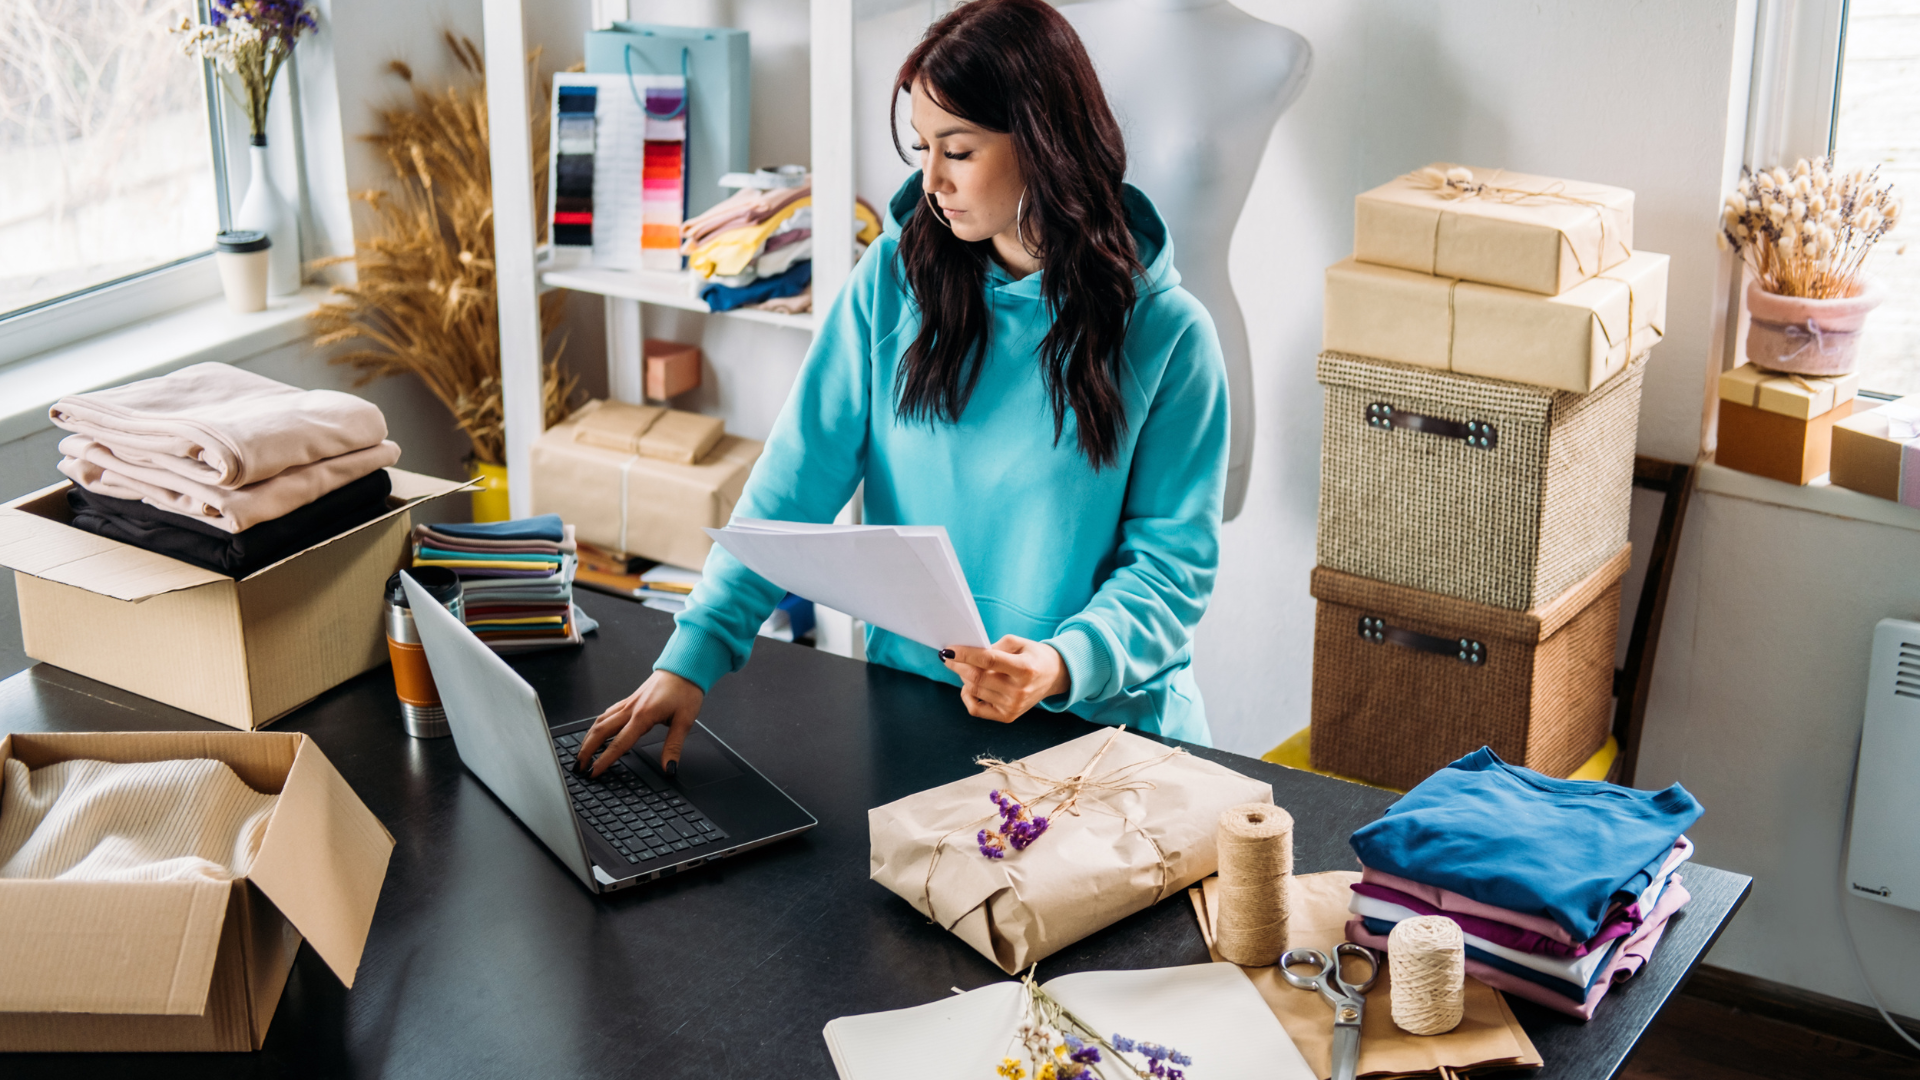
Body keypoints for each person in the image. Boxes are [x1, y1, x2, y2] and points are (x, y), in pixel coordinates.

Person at [576, 0, 1229, 778]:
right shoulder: (891, 282)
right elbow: (793, 486)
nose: (932, 181)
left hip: (1103, 733)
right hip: (918, 710)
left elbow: (1169, 570)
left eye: (958, 149)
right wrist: (691, 657)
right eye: (923, 148)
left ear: (1045, 141)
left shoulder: (1170, 336)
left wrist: (1058, 664)